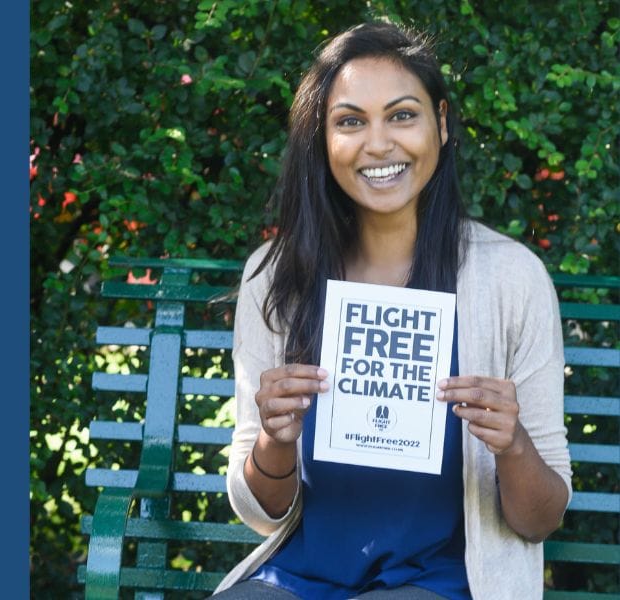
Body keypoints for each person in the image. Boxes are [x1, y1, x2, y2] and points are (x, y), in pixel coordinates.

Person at [211, 22, 571, 599]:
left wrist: (513, 445)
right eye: (350, 121)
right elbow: (263, 514)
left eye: (402, 114)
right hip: (301, 577)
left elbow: (540, 520)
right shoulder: (274, 277)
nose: (378, 144)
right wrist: (276, 441)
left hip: (443, 583)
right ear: (322, 140)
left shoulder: (511, 278)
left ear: (442, 123)